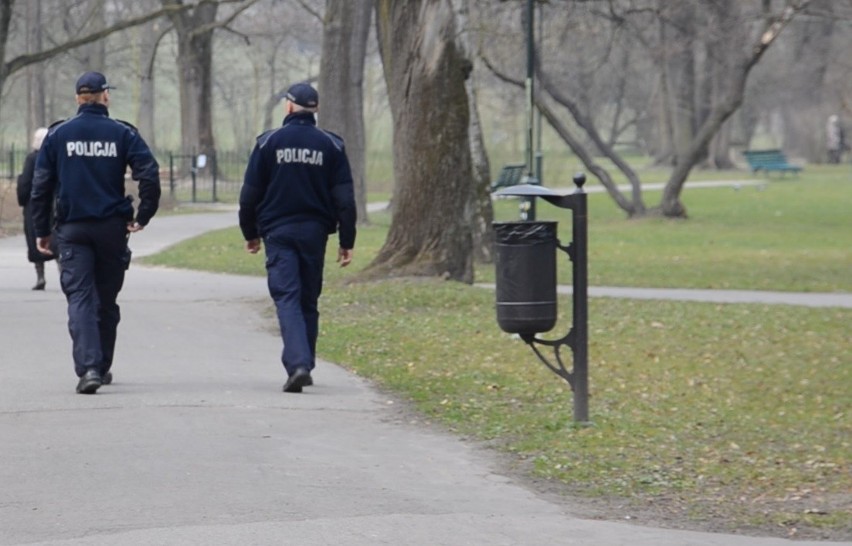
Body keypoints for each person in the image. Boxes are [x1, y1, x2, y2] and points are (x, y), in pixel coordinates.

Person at [29, 71, 161, 394]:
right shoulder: (122, 133)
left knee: (80, 297)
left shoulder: (59, 136)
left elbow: (40, 187)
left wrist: (41, 230)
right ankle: (100, 366)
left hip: (73, 230)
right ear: (105, 96)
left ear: (77, 98)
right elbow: (150, 174)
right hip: (111, 230)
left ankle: (89, 367)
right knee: (106, 300)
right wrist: (143, 215)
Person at [239, 82, 356, 393]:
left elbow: (249, 195)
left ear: (289, 107)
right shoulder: (332, 146)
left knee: (287, 297)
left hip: (278, 233)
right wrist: (347, 241)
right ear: (315, 109)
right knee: (307, 298)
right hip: (315, 233)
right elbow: (345, 199)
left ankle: (298, 364)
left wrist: (250, 233)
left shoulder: (268, 144)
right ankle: (306, 361)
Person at [16, 127, 56, 290]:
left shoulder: (32, 159)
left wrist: (23, 200)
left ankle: (40, 276)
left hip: (35, 204)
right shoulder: (57, 158)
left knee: (35, 239)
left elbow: (25, 183)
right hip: (56, 203)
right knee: (58, 238)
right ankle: (64, 272)